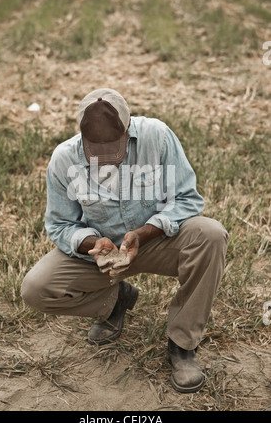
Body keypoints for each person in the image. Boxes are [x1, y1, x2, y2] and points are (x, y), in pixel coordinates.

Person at [21, 88, 228, 394]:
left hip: (155, 241)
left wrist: (144, 233)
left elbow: (186, 199)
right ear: (80, 136)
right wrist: (91, 243)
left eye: (113, 149)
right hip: (103, 258)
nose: (105, 159)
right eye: (95, 150)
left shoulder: (157, 136)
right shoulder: (64, 159)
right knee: (36, 289)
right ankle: (117, 300)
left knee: (211, 235)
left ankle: (183, 344)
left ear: (128, 128)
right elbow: (60, 224)